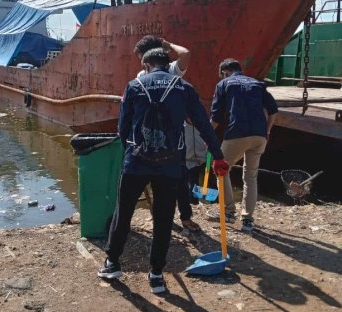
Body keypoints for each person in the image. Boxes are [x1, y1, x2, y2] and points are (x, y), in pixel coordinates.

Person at [97, 48, 229, 294]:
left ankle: (112, 263)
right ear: (168, 64)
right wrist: (218, 156)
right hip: (170, 165)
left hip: (136, 162)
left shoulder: (134, 86)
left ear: (145, 64)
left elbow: (123, 128)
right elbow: (203, 124)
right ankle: (156, 274)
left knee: (123, 212)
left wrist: (131, 153)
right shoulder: (184, 88)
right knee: (164, 218)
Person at [134, 35, 203, 231]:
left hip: (173, 137)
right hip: (152, 135)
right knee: (157, 178)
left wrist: (168, 45)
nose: (140, 61)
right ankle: (161, 216)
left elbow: (186, 54)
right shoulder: (140, 76)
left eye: (141, 56)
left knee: (179, 178)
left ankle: (185, 217)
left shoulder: (171, 69)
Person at [209, 58, 279, 233]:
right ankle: (247, 219)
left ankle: (229, 212)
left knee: (220, 169)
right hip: (260, 135)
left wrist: (208, 134)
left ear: (225, 72)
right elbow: (273, 111)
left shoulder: (224, 84)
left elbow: (217, 117)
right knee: (251, 177)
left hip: (237, 133)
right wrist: (268, 131)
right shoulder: (257, 83)